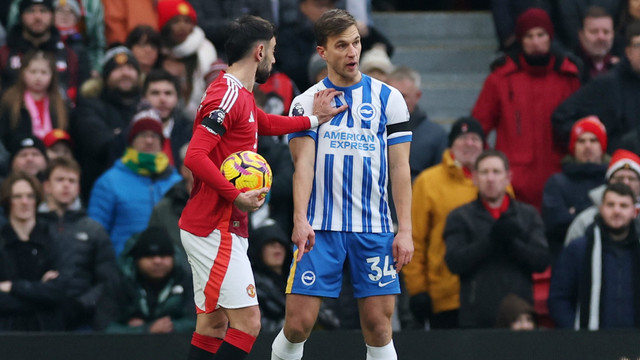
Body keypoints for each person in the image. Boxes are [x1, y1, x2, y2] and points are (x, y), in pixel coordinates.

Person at [178, 15, 346, 360]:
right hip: (214, 226)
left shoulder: (237, 95)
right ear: (258, 52)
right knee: (249, 323)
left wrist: (314, 119)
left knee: (212, 325)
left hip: (218, 224)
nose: (274, 58)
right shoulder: (226, 95)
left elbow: (262, 122)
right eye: (272, 50)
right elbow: (194, 155)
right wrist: (235, 194)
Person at [271, 9, 413, 360]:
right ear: (322, 52)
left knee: (380, 327)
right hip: (320, 228)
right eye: (341, 46)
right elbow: (302, 165)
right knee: (298, 324)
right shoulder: (305, 103)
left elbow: (400, 167)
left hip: (374, 228)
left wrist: (405, 229)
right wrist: (300, 219)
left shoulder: (388, 99)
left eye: (356, 43)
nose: (352, 53)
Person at [472, 8, 581, 210]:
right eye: (529, 36)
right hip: (512, 185)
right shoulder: (500, 78)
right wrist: (492, 169)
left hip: (558, 179)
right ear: (521, 40)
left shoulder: (569, 77)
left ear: (550, 37)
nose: (536, 41)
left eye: (541, 35)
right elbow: (478, 127)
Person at [443, 150, 549, 328]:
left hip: (520, 318)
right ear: (475, 178)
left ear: (508, 177)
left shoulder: (527, 215)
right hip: (477, 318)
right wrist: (490, 240)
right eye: (484, 172)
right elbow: (454, 262)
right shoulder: (460, 216)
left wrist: (512, 243)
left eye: (496, 172)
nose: (490, 178)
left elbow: (541, 260)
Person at [403, 117, 486, 329]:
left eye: (475, 138)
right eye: (462, 138)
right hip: (445, 295)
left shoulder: (496, 179)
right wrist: (418, 290)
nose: (469, 143)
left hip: (490, 295)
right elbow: (415, 240)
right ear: (451, 144)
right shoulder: (428, 182)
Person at [38, 156, 118, 330]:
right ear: (47, 186)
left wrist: (82, 305)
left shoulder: (94, 230)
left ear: (78, 187)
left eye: (72, 181)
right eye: (60, 179)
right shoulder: (32, 226)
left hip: (83, 320)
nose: (66, 185)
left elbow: (108, 280)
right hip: (38, 317)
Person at [88, 109, 182, 257]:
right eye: (143, 135)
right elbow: (95, 234)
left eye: (154, 136)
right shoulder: (108, 182)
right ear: (131, 141)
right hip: (123, 268)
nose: (149, 140)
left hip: (172, 269)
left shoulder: (176, 182)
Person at [549, 182, 640, 329]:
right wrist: (576, 333)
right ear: (601, 209)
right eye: (610, 205)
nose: (616, 211)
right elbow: (559, 298)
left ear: (634, 212)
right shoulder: (578, 248)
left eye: (623, 206)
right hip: (590, 346)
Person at [553, 21, 640, 154]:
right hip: (618, 168)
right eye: (638, 45)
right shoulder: (609, 83)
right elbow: (562, 116)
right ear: (628, 52)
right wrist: (594, 139)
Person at [0, 171, 71, 331]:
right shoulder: (2, 242)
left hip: (47, 330)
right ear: (8, 201)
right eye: (17, 196)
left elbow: (59, 291)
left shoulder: (54, 239)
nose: (24, 202)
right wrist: (39, 292)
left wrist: (12, 287)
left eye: (30, 196)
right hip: (7, 332)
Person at [71, 46, 142, 200]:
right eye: (117, 69)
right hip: (102, 193)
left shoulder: (147, 105)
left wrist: (118, 134)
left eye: (130, 67)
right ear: (105, 77)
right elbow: (100, 145)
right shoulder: (89, 107)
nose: (125, 73)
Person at [95, 226, 196, 333]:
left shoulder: (187, 279)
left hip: (178, 346)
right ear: (136, 259)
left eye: (164, 255)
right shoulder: (119, 280)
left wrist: (171, 326)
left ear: (173, 258)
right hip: (128, 348)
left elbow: (199, 322)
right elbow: (103, 326)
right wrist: (145, 330)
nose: (157, 261)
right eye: (149, 256)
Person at [542, 116, 609, 261]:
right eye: (581, 141)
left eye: (593, 140)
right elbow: (555, 224)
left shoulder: (612, 180)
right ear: (573, 147)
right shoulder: (557, 183)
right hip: (567, 261)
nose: (587, 146)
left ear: (602, 146)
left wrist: (576, 211)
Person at [0, 0, 89, 102]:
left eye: (43, 11)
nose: (37, 17)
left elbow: (86, 100)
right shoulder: (4, 54)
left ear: (52, 15)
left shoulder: (70, 55)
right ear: (21, 16)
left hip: (63, 115)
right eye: (30, 11)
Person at [7, 0, 106, 75]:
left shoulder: (91, 4)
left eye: (43, 11)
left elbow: (97, 44)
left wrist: (96, 69)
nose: (37, 16)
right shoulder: (7, 52)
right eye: (60, 11)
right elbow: (13, 28)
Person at [156, 0, 217, 119]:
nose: (182, 26)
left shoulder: (205, 50)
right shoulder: (156, 54)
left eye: (187, 21)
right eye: (176, 21)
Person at [565, 149, 640, 244]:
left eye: (632, 178)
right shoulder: (586, 221)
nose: (626, 183)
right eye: (620, 178)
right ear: (609, 181)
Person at [386, 66, 447, 179]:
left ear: (418, 96)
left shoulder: (436, 135)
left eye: (403, 96)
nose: (396, 102)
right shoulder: (371, 129)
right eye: (392, 96)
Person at [0, 50, 68, 147]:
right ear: (23, 73)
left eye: (44, 72)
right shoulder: (9, 100)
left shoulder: (61, 102)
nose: (38, 77)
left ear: (52, 76)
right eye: (33, 72)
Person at [142, 69, 192, 169]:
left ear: (177, 98)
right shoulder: (131, 133)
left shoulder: (191, 133)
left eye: (168, 93)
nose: (162, 99)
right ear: (144, 98)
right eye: (155, 93)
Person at [249, 222, 293, 332]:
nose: (277, 247)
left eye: (281, 243)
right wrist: (294, 326)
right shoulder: (250, 284)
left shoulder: (298, 280)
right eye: (271, 243)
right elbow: (255, 324)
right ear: (259, 250)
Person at [575, 6, 618, 83]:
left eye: (606, 32)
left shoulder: (621, 69)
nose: (601, 37)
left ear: (613, 35)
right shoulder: (570, 69)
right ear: (581, 35)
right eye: (594, 31)